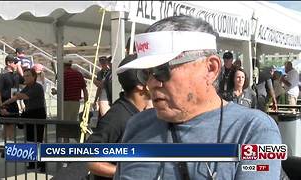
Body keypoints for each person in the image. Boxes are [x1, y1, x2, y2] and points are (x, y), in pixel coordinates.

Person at [114, 15, 282, 180]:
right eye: (145, 74)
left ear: (210, 69)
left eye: (161, 71)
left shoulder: (254, 130)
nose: (151, 83)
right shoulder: (136, 125)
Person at [86, 54, 152, 180]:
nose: (158, 82)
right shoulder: (116, 117)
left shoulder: (141, 113)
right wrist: (128, 173)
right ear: (141, 84)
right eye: (152, 76)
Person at [1, 68, 46, 172]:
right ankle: (32, 163)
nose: (25, 77)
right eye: (24, 76)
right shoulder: (27, 87)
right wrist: (4, 104)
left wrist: (14, 96)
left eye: (28, 76)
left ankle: (42, 164)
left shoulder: (37, 87)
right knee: (30, 139)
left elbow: (22, 96)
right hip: (29, 113)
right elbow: (16, 97)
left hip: (38, 114)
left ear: (34, 77)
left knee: (38, 140)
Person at [0, 55, 21, 145]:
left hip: (14, 102)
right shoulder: (2, 75)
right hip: (5, 101)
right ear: (8, 63)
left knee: (13, 126)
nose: (16, 64)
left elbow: (23, 80)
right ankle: (6, 146)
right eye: (15, 63)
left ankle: (9, 146)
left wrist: (19, 68)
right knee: (8, 126)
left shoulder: (16, 75)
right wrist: (1, 106)